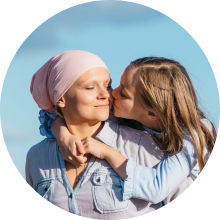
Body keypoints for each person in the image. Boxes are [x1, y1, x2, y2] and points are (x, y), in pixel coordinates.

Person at [46, 56, 216, 203]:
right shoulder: (126, 111)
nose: (113, 94)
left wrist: (107, 152)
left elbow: (156, 188)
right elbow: (55, 113)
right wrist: (63, 135)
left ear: (151, 113)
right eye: (117, 85)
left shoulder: (196, 133)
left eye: (124, 94)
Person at [26, 50, 169, 219]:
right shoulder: (37, 157)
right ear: (61, 98)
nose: (105, 95)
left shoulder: (142, 146)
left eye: (107, 85)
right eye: (90, 87)